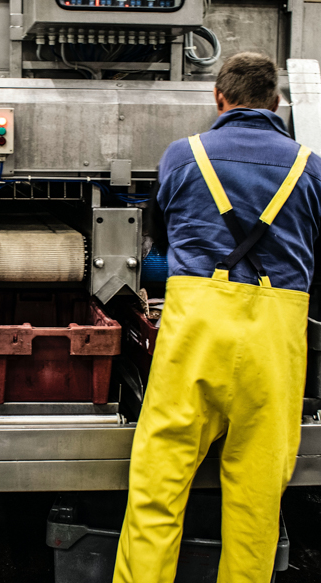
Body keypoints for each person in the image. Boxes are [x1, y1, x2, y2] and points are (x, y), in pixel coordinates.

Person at [113, 52, 321, 583]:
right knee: (256, 506)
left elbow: (160, 234)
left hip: (196, 336)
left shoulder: (183, 157)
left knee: (157, 491)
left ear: (218, 99)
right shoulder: (311, 167)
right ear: (276, 104)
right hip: (275, 345)